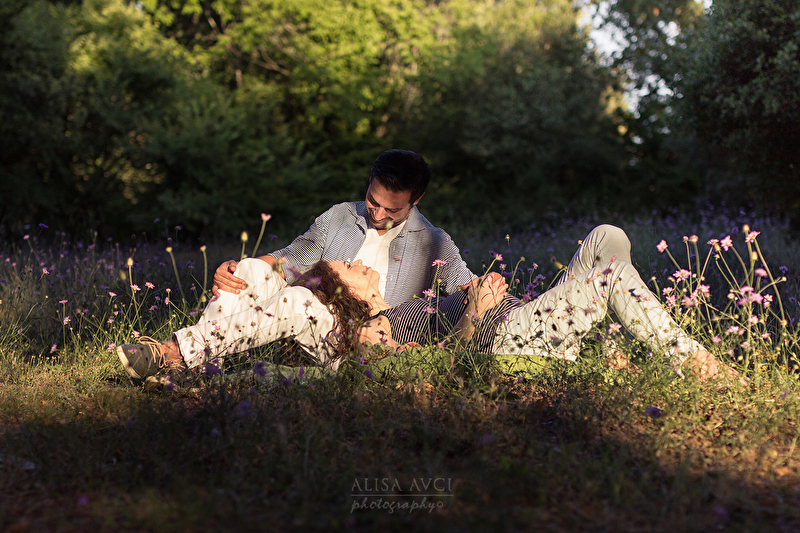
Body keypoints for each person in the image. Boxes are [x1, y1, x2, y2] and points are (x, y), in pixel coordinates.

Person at [116, 225, 739, 383]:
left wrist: (474, 289)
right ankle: (698, 364)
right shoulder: (373, 335)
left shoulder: (408, 299)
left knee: (607, 238)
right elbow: (449, 362)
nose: (369, 266)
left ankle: (613, 346)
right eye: (355, 271)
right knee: (611, 269)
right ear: (347, 299)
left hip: (522, 313)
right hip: (506, 335)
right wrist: (474, 316)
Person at [212, 149, 474, 307]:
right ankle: (201, 353)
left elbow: (467, 284)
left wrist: (486, 286)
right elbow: (289, 261)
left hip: (376, 338)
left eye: (392, 210)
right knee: (249, 271)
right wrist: (238, 270)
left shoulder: (434, 242)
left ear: (416, 199)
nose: (378, 214)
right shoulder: (340, 216)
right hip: (314, 320)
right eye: (373, 201)